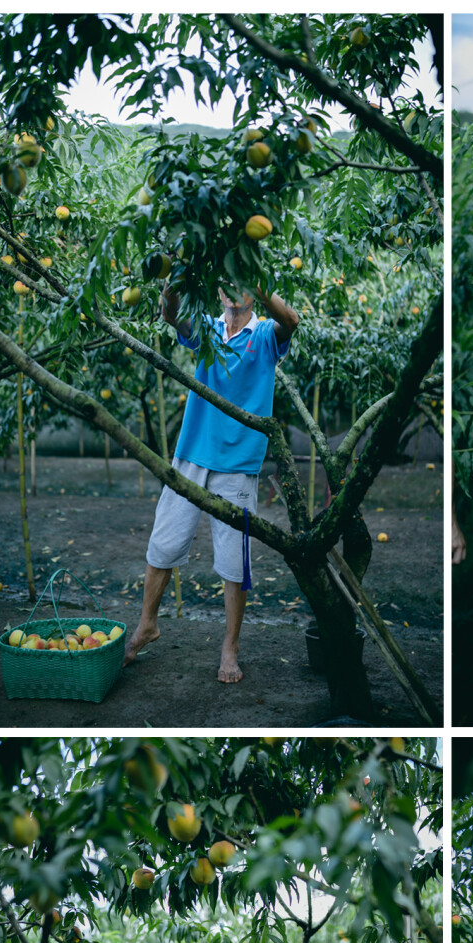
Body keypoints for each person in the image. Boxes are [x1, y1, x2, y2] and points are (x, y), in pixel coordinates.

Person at [123, 281, 299, 683]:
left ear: (255, 293)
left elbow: (291, 319)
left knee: (233, 563)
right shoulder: (207, 330)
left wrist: (258, 278)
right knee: (163, 540)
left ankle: (230, 648)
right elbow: (170, 314)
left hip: (238, 462)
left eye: (243, 285)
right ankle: (148, 623)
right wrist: (174, 279)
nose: (234, 291)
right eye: (227, 284)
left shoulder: (267, 336)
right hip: (192, 453)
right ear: (217, 293)